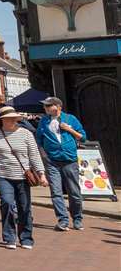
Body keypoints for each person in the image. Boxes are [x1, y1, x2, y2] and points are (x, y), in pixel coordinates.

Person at [0, 107, 46, 249]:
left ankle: (26, 238)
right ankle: (9, 237)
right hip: (2, 174)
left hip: (23, 175)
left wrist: (41, 174)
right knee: (7, 203)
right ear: (2, 120)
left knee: (24, 207)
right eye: (10, 118)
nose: (13, 120)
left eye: (15, 118)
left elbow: (34, 155)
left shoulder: (26, 134)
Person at [36, 97, 86, 232]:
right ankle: (62, 220)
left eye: (48, 105)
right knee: (56, 192)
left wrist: (69, 130)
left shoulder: (70, 119)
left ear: (58, 106)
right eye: (44, 106)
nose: (45, 108)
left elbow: (83, 137)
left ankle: (77, 218)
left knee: (74, 192)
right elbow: (39, 140)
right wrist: (44, 156)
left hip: (70, 160)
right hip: (52, 161)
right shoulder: (43, 121)